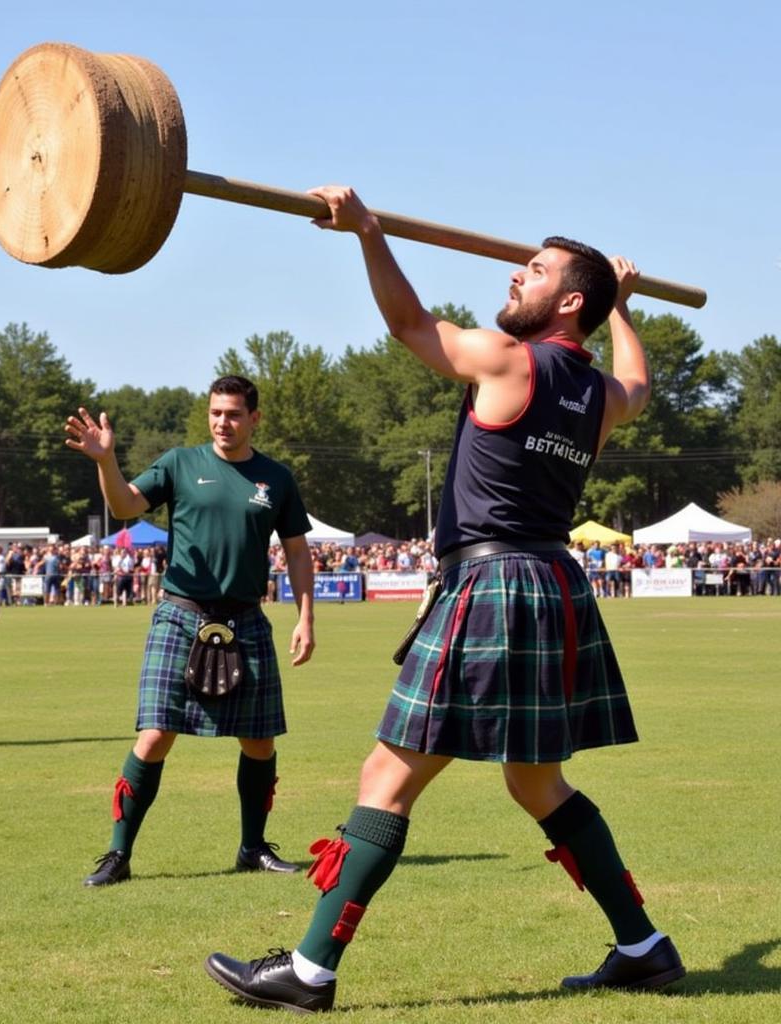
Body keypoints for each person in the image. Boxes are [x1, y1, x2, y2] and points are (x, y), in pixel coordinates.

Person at [204, 186, 685, 1012]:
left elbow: (408, 328)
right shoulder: (596, 396)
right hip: (551, 586)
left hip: (492, 585)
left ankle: (310, 972)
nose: (513, 275)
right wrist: (624, 310)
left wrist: (369, 232)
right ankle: (643, 946)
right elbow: (638, 384)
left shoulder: (509, 361)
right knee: (537, 785)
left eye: (532, 271)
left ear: (568, 299)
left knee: (386, 777)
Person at [64, 375, 316, 886]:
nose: (224, 422)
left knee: (259, 741)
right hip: (181, 615)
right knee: (155, 735)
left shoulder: (276, 479)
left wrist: (306, 616)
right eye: (216, 413)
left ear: (254, 419)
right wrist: (104, 461)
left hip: (245, 618)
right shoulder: (180, 463)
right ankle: (118, 854)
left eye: (235, 414)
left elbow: (296, 551)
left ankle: (252, 846)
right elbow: (126, 506)